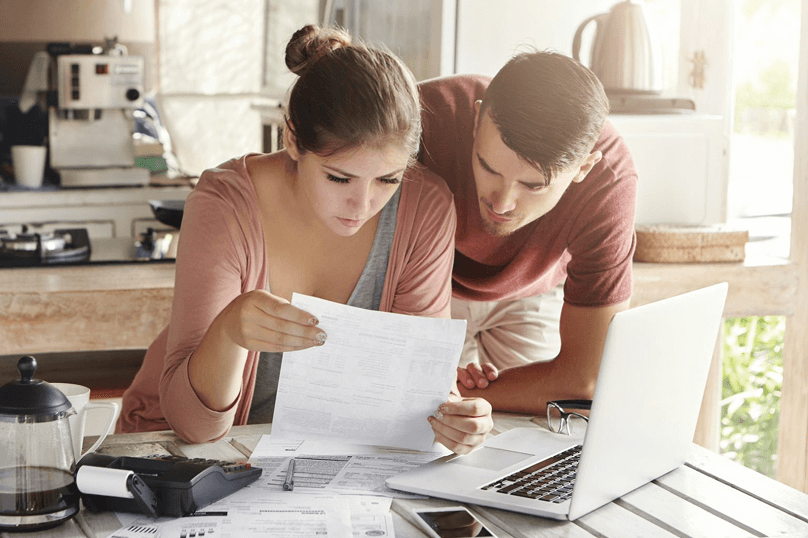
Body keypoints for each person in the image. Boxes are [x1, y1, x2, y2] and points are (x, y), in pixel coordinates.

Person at [117, 25, 493, 454]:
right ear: (292, 138)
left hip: (330, 463)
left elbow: (414, 393)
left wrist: (454, 418)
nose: (362, 205)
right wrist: (230, 331)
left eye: (387, 179)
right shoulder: (223, 205)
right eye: (339, 177)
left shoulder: (425, 208)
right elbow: (193, 427)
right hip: (183, 455)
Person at [417, 50, 638, 414]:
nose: (502, 203)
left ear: (584, 168)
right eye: (488, 167)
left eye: (533, 186)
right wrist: (425, 390)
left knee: (540, 432)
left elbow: (585, 382)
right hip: (427, 283)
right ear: (476, 121)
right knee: (415, 427)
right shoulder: (421, 118)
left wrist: (451, 393)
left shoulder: (609, 181)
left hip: (532, 291)